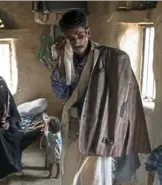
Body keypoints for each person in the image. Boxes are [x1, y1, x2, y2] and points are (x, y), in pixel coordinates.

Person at [49, 10, 151, 185]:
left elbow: (123, 98)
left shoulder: (111, 58)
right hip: (77, 127)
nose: (76, 42)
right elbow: (61, 94)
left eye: (80, 35)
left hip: (102, 126)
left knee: (99, 177)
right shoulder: (65, 60)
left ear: (88, 32)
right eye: (70, 38)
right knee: (74, 176)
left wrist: (113, 126)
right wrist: (59, 62)